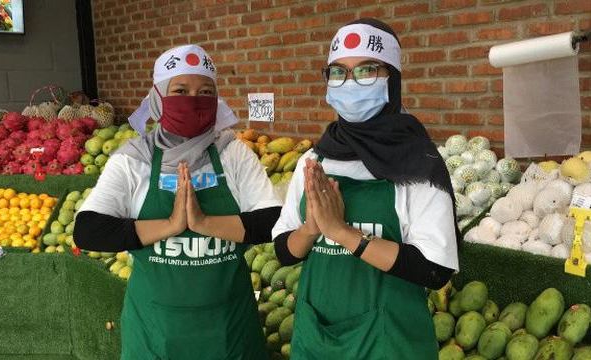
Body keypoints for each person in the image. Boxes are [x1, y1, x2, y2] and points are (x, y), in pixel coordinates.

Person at [74, 44, 282, 360]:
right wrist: (170, 225)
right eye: (181, 90)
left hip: (229, 328)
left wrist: (205, 223)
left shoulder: (232, 153)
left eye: (205, 91)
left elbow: (272, 220)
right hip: (156, 331)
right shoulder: (133, 160)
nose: (193, 101)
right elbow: (89, 230)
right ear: (158, 96)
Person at [272, 19, 460, 359]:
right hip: (317, 338)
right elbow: (284, 251)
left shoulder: (419, 165)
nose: (350, 83)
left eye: (367, 70)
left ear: (393, 80)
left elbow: (434, 269)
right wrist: (312, 228)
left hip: (390, 343)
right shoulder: (314, 160)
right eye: (339, 72)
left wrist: (343, 233)